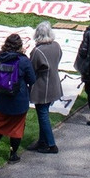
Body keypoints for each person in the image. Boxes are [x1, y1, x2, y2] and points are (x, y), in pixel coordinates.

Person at [0, 33, 37, 163]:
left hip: (2, 99)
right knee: (17, 127)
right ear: (20, 46)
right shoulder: (23, 61)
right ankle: (12, 154)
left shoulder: (0, 58)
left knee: (0, 123)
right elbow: (32, 79)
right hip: (18, 100)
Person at [29, 22, 64, 154]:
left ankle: (50, 144)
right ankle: (42, 141)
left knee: (42, 114)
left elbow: (31, 69)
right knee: (43, 112)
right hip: (54, 83)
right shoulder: (56, 46)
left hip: (43, 87)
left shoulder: (37, 51)